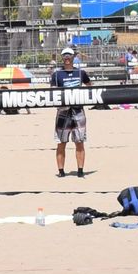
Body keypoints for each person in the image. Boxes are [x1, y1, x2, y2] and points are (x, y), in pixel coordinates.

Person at [49, 46, 91, 178]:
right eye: (65, 56)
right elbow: (52, 92)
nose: (67, 58)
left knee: (79, 141)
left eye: (69, 56)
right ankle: (61, 171)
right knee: (61, 142)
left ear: (73, 57)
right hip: (63, 111)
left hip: (78, 110)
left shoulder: (81, 73)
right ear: (62, 58)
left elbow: (90, 87)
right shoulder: (56, 75)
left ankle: (80, 170)